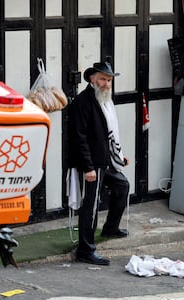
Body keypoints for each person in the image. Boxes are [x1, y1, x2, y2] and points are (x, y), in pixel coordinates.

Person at [68, 61, 130, 266]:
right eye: (103, 79)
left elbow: (110, 134)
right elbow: (79, 138)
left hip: (106, 160)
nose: (106, 83)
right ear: (92, 79)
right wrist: (88, 168)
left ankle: (110, 228)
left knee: (122, 186)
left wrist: (119, 157)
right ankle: (85, 249)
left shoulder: (105, 100)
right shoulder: (83, 102)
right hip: (91, 164)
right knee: (91, 206)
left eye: (109, 80)